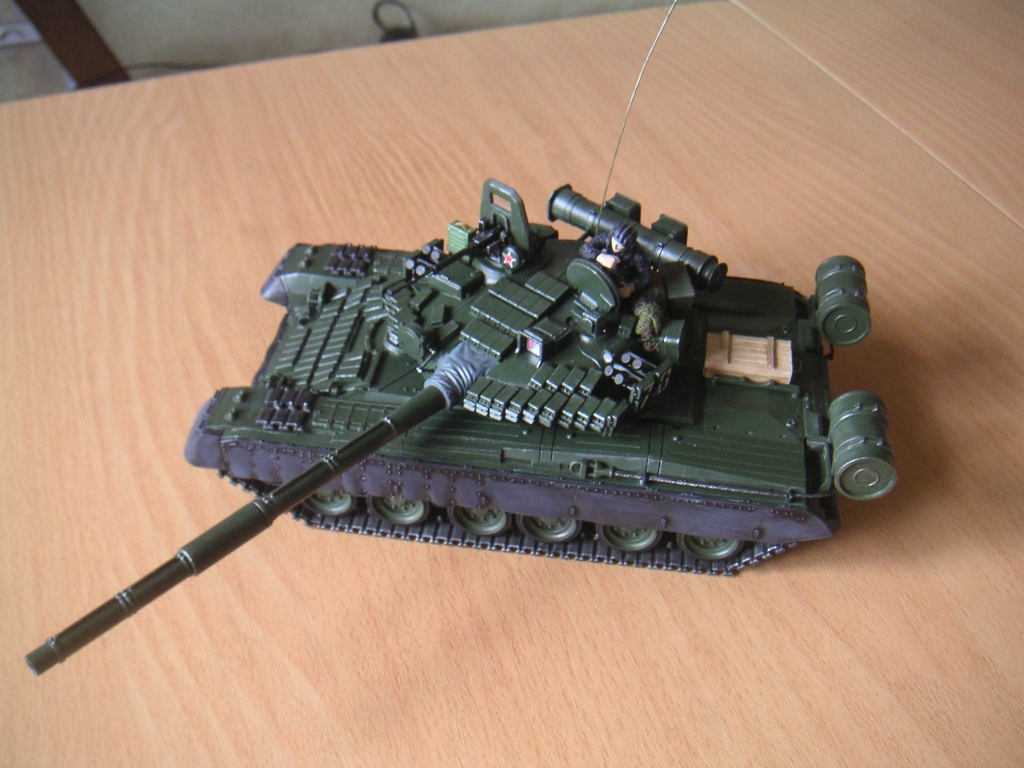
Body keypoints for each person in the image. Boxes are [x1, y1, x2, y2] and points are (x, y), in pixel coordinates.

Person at [580, 221, 666, 351]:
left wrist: (630, 287)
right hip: (602, 275)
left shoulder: (637, 255)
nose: (615, 246)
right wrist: (600, 256)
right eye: (615, 242)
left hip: (626, 282)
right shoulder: (606, 238)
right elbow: (584, 248)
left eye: (620, 245)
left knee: (647, 309)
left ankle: (646, 335)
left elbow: (646, 276)